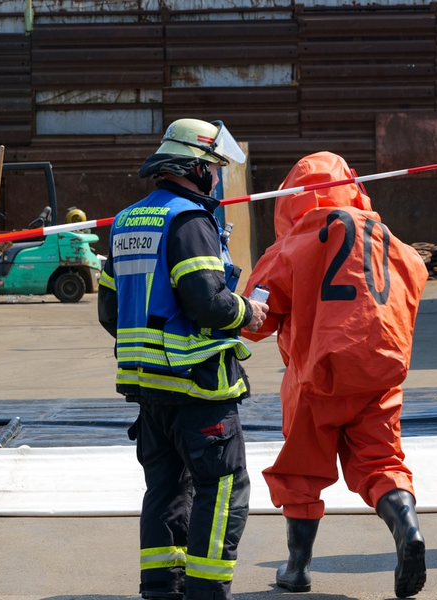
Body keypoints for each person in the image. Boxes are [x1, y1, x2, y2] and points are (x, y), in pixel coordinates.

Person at [240, 151, 429, 598]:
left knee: (301, 472)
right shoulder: (389, 239)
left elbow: (256, 321)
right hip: (378, 375)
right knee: (382, 463)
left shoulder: (292, 243)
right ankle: (407, 529)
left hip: (315, 377)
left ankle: (297, 568)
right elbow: (417, 277)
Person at [98, 118, 268, 600]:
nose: (215, 178)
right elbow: (208, 303)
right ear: (195, 168)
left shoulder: (127, 219)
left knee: (165, 490)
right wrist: (248, 312)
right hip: (199, 387)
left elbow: (110, 311)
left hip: (148, 389)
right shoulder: (190, 220)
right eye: (213, 168)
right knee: (221, 490)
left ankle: (160, 588)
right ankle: (206, 592)